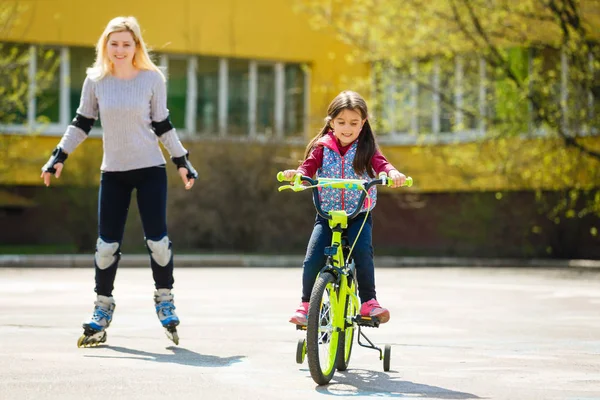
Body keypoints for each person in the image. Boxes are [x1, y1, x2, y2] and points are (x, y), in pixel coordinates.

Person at [40, 16, 198, 346]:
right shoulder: (96, 81)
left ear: (136, 46)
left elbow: (162, 124)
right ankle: (101, 307)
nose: (120, 49)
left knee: (157, 240)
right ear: (105, 46)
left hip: (150, 169)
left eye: (127, 43)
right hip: (113, 171)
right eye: (114, 43)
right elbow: (81, 123)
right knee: (105, 247)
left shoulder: (152, 78)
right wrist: (59, 156)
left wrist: (181, 160)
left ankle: (165, 297)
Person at [281, 90, 407, 326]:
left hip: (359, 213)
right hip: (327, 214)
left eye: (353, 123)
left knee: (362, 253)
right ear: (331, 123)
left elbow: (382, 164)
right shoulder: (321, 147)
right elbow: (307, 168)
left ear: (363, 123)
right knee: (312, 259)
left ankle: (369, 301)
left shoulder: (366, 148)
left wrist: (392, 173)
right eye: (341, 122)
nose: (347, 128)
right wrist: (297, 175)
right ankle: (306, 305)